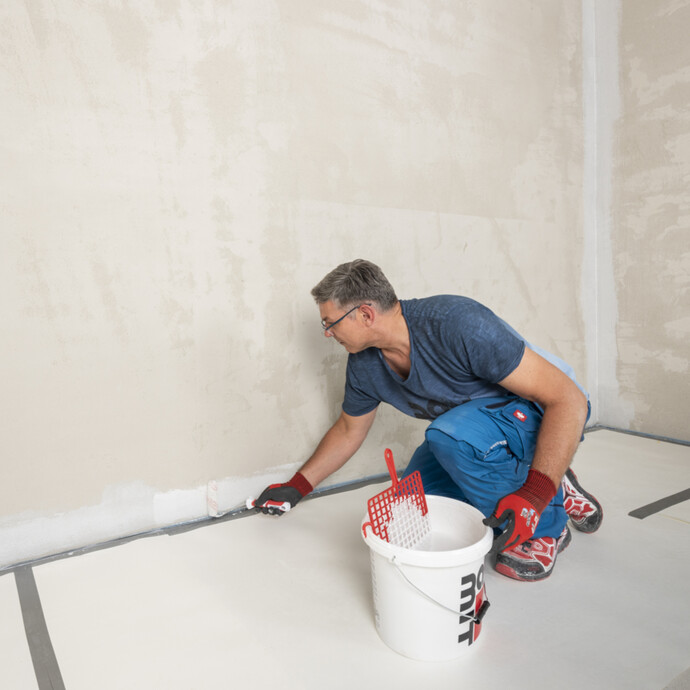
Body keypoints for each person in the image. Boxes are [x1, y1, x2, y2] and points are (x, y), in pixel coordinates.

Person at [255, 259, 603, 582]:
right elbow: (349, 429)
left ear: (364, 314)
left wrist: (535, 494)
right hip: (481, 427)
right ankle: (549, 473)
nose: (328, 333)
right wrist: (298, 485)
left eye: (330, 323)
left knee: (448, 437)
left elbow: (566, 398)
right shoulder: (364, 364)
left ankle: (548, 525)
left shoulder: (457, 324)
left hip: (548, 408)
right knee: (416, 506)